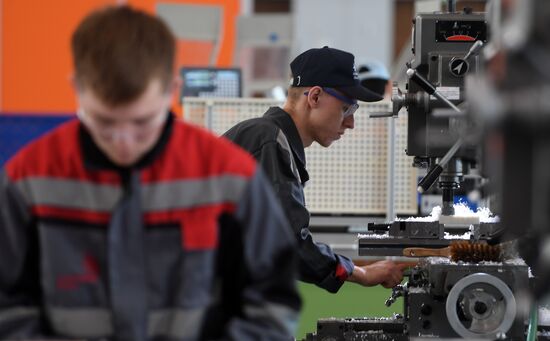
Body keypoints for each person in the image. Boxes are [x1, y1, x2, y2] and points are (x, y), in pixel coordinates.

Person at [0, 6, 300, 341]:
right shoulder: (29, 181)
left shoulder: (229, 179)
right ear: (77, 89)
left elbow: (271, 303)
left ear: (173, 90)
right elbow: (7, 305)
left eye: (143, 123)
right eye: (104, 122)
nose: (124, 143)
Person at [224, 46, 408, 293]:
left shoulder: (270, 139)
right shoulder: (269, 140)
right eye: (347, 109)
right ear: (315, 97)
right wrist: (360, 273)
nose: (351, 123)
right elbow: (288, 242)